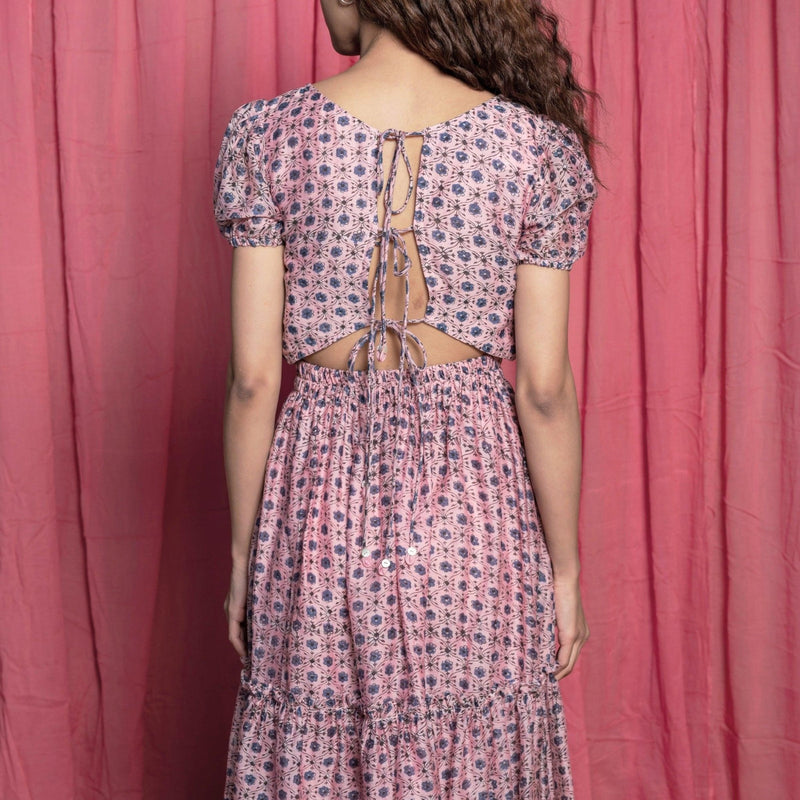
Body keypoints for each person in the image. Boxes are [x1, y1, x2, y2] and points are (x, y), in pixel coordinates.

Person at [213, 0, 600, 796]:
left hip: (318, 497)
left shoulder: (267, 134)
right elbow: (545, 387)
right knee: (474, 751)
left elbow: (253, 378)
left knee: (322, 742)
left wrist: (246, 555)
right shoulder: (534, 146)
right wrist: (563, 571)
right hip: (475, 503)